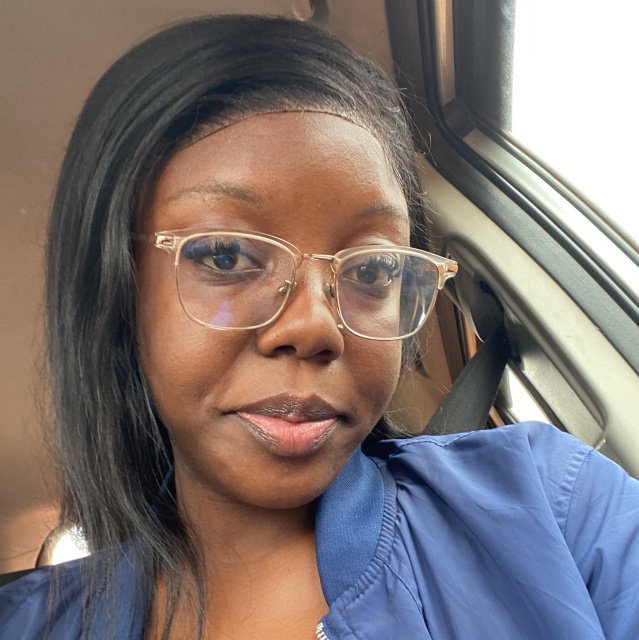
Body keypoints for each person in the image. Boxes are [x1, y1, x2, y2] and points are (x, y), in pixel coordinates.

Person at [1, 13, 638, 640]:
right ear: (117, 291)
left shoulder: (551, 505)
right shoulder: (28, 622)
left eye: (374, 269)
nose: (315, 327)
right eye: (225, 256)